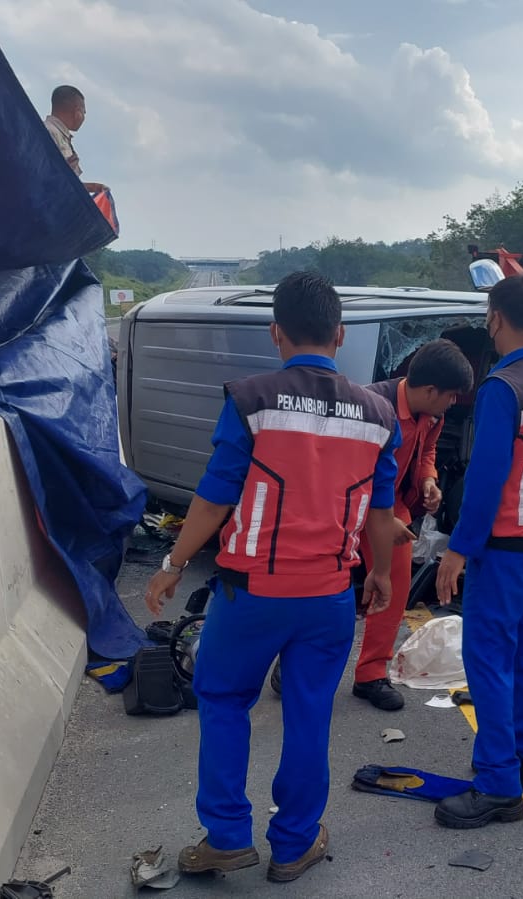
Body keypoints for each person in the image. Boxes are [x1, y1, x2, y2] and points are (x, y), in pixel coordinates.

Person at [142, 271, 402, 884]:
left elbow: (213, 497)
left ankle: (228, 836)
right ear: (339, 334)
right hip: (331, 596)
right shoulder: (379, 413)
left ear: (276, 332)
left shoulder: (251, 399)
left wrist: (172, 566)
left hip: (251, 592)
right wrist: (383, 575)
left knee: (225, 701)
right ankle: (294, 843)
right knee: (310, 713)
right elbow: (382, 513)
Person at [433, 275, 523, 829]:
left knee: (489, 661)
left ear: (494, 319)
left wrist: (457, 551)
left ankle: (496, 785)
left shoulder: (503, 387)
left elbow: (487, 477)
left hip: (507, 549)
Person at [350, 339, 476, 711]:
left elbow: (428, 452)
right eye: (451, 396)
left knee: (397, 580)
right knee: (324, 588)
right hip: (351, 506)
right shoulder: (372, 406)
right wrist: (381, 520)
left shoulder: (432, 415)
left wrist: (428, 480)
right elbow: (351, 471)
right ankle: (289, 665)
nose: (453, 404)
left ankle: (371, 674)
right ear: (430, 390)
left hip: (394, 506)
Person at [44, 85, 107, 194]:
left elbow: (62, 182)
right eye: (83, 112)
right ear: (77, 112)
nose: (83, 117)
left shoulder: (59, 135)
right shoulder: (50, 132)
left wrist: (89, 188)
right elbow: (42, 176)